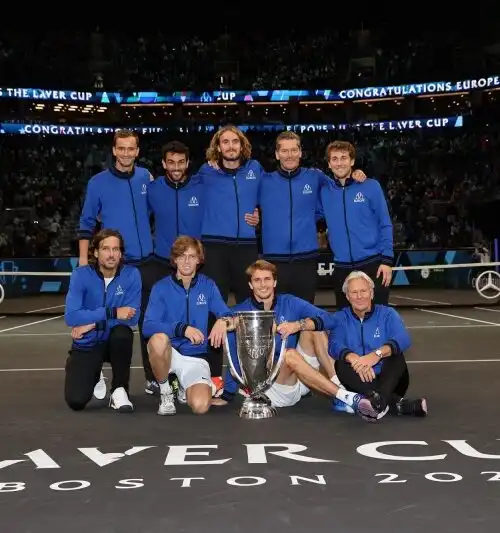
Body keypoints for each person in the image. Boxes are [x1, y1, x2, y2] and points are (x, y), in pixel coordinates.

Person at [212, 260, 386, 422]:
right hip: (270, 387)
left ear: (275, 282)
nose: (263, 284)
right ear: (250, 285)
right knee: (289, 354)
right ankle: (346, 397)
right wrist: (227, 394)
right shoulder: (240, 312)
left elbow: (329, 319)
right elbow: (234, 354)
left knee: (313, 330)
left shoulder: (289, 302)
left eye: (267, 279)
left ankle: (338, 386)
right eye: (257, 280)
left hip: (297, 378)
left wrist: (298, 324)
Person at [77, 129, 158, 396]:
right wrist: (82, 262)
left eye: (130, 148)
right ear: (114, 151)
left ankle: (153, 377)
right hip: (113, 266)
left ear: (137, 151)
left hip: (146, 263)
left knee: (149, 324)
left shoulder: (147, 177)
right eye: (120, 148)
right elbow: (86, 224)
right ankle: (96, 371)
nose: (126, 153)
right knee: (106, 323)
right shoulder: (98, 182)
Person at [259, 131, 366, 302]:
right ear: (277, 154)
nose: (290, 155)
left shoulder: (314, 176)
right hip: (273, 261)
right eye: (284, 151)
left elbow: (340, 189)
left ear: (300, 152)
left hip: (306, 259)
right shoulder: (263, 181)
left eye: (294, 150)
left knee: (305, 316)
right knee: (275, 319)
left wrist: (354, 174)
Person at [311, 270, 427, 417]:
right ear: (347, 296)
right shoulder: (341, 317)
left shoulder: (388, 314)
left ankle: (378, 402)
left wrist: (376, 355)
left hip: (391, 381)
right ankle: (391, 403)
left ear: (371, 293)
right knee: (341, 364)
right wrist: (356, 360)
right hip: (360, 381)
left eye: (363, 291)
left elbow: (403, 338)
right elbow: (334, 345)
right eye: (354, 292)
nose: (359, 296)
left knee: (395, 356)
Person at [142, 236, 235, 416]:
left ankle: (184, 388)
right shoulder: (161, 287)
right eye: (182, 256)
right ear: (174, 259)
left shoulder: (207, 285)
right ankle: (166, 391)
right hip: (168, 353)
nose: (186, 261)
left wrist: (223, 321)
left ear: (199, 260)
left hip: (195, 357)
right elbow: (147, 326)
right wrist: (182, 329)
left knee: (200, 406)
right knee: (158, 339)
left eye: (192, 256)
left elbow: (228, 314)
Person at [64, 229, 141, 412]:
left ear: (121, 253)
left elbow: (132, 317)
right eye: (106, 249)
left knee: (123, 334)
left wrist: (92, 323)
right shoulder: (80, 275)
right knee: (76, 401)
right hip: (88, 343)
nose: (111, 254)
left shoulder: (131, 275)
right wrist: (114, 312)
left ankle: (119, 390)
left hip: (110, 339)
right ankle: (94, 371)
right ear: (96, 252)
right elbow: (71, 316)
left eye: (116, 249)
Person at [321, 140, 393, 308]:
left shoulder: (371, 186)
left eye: (344, 158)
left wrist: (387, 260)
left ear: (352, 161)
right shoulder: (324, 192)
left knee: (378, 319)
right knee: (345, 323)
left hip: (373, 263)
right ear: (329, 164)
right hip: (342, 267)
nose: (339, 163)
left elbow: (385, 223)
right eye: (335, 159)